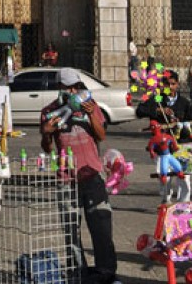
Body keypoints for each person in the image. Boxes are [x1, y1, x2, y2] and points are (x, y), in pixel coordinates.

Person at [41, 68, 117, 284]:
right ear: (60, 89)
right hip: (67, 178)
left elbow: (101, 136)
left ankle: (106, 272)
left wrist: (92, 113)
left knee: (101, 226)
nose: (73, 91)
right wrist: (47, 132)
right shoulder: (49, 111)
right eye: (68, 88)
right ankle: (78, 272)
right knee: (71, 230)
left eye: (76, 86)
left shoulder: (90, 107)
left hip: (93, 174)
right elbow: (47, 149)